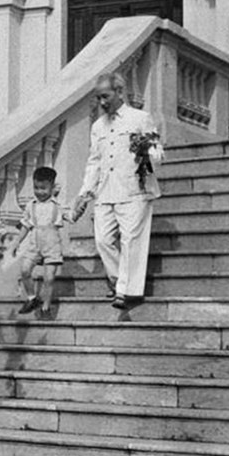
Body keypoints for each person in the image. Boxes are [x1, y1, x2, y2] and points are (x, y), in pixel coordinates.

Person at [80, 71, 164, 310]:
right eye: (98, 98)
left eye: (105, 96)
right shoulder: (98, 126)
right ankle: (119, 282)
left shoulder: (140, 118)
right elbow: (94, 161)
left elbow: (158, 155)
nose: (102, 102)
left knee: (131, 241)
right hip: (106, 191)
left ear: (119, 92)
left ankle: (125, 292)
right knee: (103, 240)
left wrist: (146, 150)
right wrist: (85, 192)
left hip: (134, 189)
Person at [12, 167, 89, 319]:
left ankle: (46, 307)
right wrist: (17, 242)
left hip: (52, 244)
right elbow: (26, 225)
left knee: (49, 278)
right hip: (34, 244)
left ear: (52, 188)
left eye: (43, 188)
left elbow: (72, 217)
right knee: (25, 270)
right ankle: (32, 298)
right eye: (36, 188)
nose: (39, 192)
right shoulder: (30, 205)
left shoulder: (58, 206)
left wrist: (81, 207)